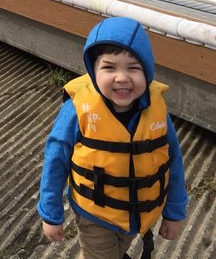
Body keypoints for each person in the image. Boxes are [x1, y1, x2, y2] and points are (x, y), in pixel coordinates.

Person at [37, 16, 188, 259]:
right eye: (109, 67)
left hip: (137, 216)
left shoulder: (157, 109)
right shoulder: (76, 109)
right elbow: (56, 159)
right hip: (95, 215)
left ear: (147, 72)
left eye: (133, 68)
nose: (122, 77)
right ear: (93, 70)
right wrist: (51, 213)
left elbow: (173, 161)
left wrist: (175, 211)